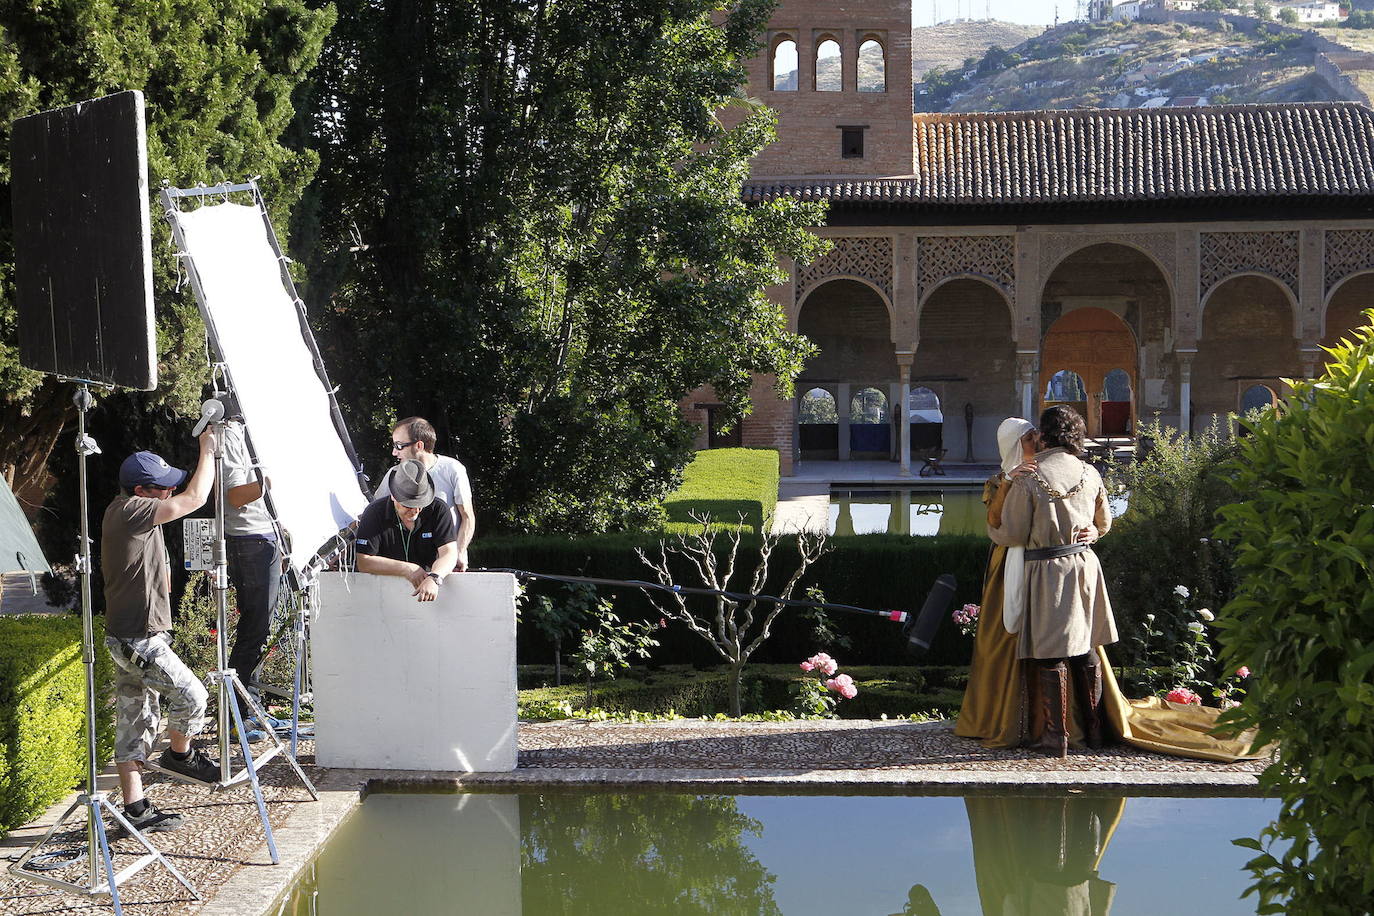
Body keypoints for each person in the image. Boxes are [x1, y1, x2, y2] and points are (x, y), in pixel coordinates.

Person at [103, 433, 222, 833]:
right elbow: (194, 499)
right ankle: (179, 756)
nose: (170, 489)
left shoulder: (126, 510)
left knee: (134, 718)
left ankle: (135, 810)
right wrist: (207, 449)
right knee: (193, 696)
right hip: (138, 637)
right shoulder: (132, 509)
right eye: (162, 486)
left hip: (128, 635)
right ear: (141, 491)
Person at [988, 405, 1115, 757]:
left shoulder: (1030, 476)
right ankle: (1094, 732)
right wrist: (1093, 532)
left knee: (1049, 654)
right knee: (1086, 648)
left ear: (1044, 435)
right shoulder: (1091, 472)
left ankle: (1055, 737)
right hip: (1085, 567)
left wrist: (992, 527)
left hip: (1048, 571)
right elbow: (1103, 522)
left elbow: (1010, 533)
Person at [954, 417, 1041, 749]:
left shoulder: (1048, 473)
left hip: (1042, 561)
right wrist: (1008, 481)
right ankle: (999, 715)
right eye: (1032, 438)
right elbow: (996, 521)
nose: (1039, 442)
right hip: (1008, 565)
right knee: (1002, 635)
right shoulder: (997, 481)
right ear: (1018, 445)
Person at [221, 417, 285, 741]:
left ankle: (251, 708)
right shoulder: (231, 433)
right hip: (250, 541)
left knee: (260, 630)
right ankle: (236, 715)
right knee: (253, 629)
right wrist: (273, 480)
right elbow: (234, 496)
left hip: (265, 538)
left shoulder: (254, 431)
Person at [374, 416, 475, 572]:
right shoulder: (393, 474)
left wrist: (459, 553)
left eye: (399, 446)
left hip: (446, 568)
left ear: (419, 445)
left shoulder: (453, 469)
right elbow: (371, 516)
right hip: (408, 570)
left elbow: (467, 517)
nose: (394, 452)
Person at [354, 459, 458, 600]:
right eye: (408, 506)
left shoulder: (439, 509)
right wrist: (407, 569)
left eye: (421, 504)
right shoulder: (374, 512)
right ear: (393, 496)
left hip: (428, 594)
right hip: (382, 596)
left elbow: (449, 553)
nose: (415, 511)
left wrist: (434, 577)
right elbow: (364, 562)